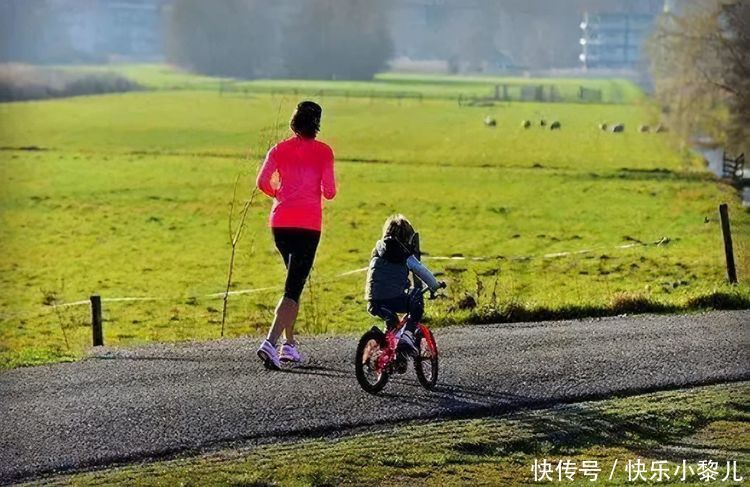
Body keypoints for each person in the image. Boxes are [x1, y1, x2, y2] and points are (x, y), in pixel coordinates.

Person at [255, 101, 336, 370]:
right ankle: (271, 341)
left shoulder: (278, 150)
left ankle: (288, 346)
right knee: (293, 288)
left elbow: (262, 182)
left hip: (280, 223)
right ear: (316, 125)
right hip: (308, 225)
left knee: (294, 282)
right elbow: (330, 191)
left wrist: (278, 194)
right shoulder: (323, 152)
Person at [364, 214, 443, 358]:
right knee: (416, 297)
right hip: (394, 298)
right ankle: (408, 335)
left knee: (392, 324)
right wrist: (435, 285)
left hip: (373, 300)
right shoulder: (405, 255)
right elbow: (422, 272)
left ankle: (386, 352)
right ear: (408, 237)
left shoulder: (377, 250)